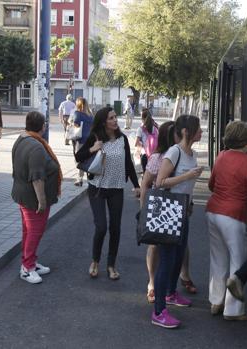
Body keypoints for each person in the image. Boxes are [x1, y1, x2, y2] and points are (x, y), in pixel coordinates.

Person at [75, 107, 140, 280]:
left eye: (115, 117)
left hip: (117, 188)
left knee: (115, 228)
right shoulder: (95, 137)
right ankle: (95, 261)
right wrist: (93, 148)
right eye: (111, 118)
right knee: (101, 226)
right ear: (104, 121)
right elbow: (78, 157)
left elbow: (128, 164)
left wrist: (137, 185)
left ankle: (111, 265)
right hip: (97, 188)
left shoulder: (122, 139)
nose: (115, 120)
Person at [151, 114, 204, 329]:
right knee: (167, 259)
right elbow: (160, 182)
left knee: (178, 255)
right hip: (169, 211)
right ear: (185, 132)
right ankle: (159, 311)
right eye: (198, 128)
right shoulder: (175, 152)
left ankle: (171, 294)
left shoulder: (191, 153)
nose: (201, 131)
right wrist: (188, 176)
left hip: (183, 211)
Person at [206, 120, 247, 321]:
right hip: (235, 216)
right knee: (238, 261)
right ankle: (233, 310)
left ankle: (216, 301)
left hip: (213, 211)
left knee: (217, 259)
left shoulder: (221, 156)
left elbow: (212, 185)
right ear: (246, 141)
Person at [12, 111, 62, 284]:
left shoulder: (22, 139)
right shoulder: (36, 147)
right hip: (33, 199)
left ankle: (30, 262)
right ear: (43, 126)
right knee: (35, 232)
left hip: (23, 195)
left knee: (28, 231)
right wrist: (42, 200)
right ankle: (27, 268)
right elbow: (37, 177)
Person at [139, 121, 175, 303]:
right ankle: (152, 283)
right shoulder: (157, 157)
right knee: (154, 245)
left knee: (178, 244)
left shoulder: (181, 155)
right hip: (159, 205)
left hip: (177, 204)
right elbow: (146, 184)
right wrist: (143, 210)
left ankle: (180, 278)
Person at [69, 97, 93, 186]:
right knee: (88, 158)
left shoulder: (77, 113)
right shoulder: (90, 115)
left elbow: (75, 124)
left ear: (78, 104)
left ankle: (79, 179)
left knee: (79, 159)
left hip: (80, 140)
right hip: (90, 140)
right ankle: (89, 178)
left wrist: (70, 123)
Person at [135, 108, 159, 173]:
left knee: (146, 176)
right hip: (155, 155)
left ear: (142, 118)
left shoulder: (140, 129)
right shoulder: (156, 127)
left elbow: (137, 143)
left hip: (145, 155)